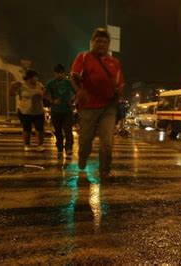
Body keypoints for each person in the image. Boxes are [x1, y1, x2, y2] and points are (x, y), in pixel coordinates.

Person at [70, 28, 125, 179]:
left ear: (109, 44)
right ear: (92, 42)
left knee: (107, 141)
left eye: (105, 42)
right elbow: (73, 76)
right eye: (98, 41)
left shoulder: (115, 62)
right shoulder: (83, 57)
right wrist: (79, 91)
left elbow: (120, 84)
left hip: (109, 107)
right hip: (88, 107)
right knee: (86, 140)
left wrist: (119, 92)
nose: (101, 44)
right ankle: (83, 156)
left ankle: (105, 170)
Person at [10, 69, 46, 152]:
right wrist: (12, 86)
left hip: (38, 111)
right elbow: (12, 94)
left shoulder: (39, 85)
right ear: (30, 78)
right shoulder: (21, 85)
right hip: (25, 111)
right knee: (27, 129)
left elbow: (44, 95)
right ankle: (27, 144)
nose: (37, 79)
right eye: (35, 77)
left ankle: (40, 145)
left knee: (40, 129)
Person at [45, 64, 75, 156]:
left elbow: (77, 92)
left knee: (68, 130)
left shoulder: (68, 83)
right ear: (54, 73)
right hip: (55, 111)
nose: (59, 75)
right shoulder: (50, 83)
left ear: (64, 73)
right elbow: (45, 94)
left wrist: (73, 102)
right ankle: (59, 148)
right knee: (57, 131)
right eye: (57, 73)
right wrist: (52, 101)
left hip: (67, 111)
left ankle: (69, 148)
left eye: (61, 73)